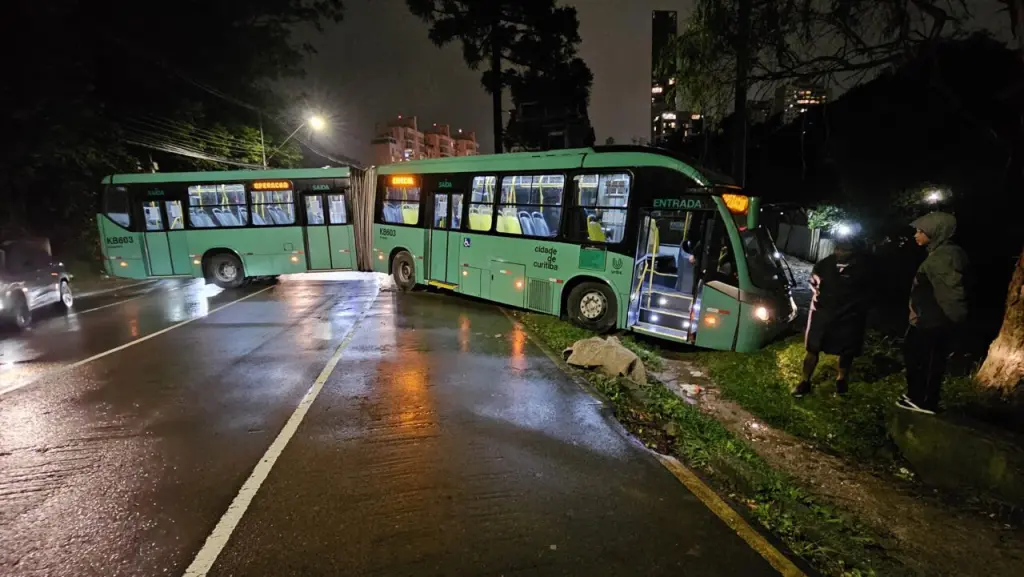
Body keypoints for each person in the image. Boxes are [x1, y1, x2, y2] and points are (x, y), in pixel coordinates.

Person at [898, 212, 970, 414]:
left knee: (924, 360)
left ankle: (923, 400)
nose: (916, 235)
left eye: (921, 231)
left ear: (937, 232)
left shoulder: (944, 257)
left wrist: (957, 321)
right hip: (926, 320)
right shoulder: (940, 253)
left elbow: (952, 293)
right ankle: (918, 396)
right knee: (917, 357)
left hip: (931, 322)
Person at [791, 239, 874, 397]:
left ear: (854, 252)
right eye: (838, 249)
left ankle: (841, 379)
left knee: (846, 350)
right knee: (813, 348)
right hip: (823, 313)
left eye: (845, 250)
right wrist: (817, 292)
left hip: (849, 315)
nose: (840, 253)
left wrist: (858, 307)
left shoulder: (863, 268)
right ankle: (804, 381)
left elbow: (870, 292)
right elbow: (812, 281)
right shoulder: (825, 264)